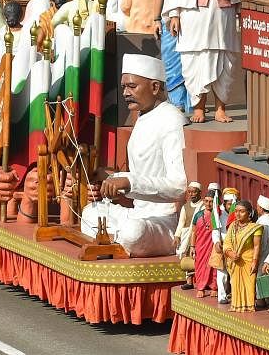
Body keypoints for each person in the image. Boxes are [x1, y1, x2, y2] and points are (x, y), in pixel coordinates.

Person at [79, 54, 187, 256]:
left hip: (164, 220)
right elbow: (135, 178)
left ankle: (116, 240)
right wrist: (108, 178)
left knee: (134, 233)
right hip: (137, 213)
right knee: (90, 213)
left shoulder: (172, 120)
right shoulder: (143, 117)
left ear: (155, 87)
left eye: (132, 87)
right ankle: (116, 241)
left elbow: (179, 186)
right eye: (123, 88)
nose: (125, 93)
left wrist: (129, 182)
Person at [222, 199, 263, 313]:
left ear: (249, 213)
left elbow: (256, 246)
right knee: (235, 284)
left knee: (249, 284)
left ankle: (249, 306)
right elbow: (227, 243)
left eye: (242, 211)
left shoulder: (255, 227)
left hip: (248, 260)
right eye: (236, 211)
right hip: (234, 260)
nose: (238, 214)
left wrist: (255, 261)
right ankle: (236, 305)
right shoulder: (232, 227)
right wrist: (230, 253)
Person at [189, 192, 220, 298]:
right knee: (200, 266)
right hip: (200, 246)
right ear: (203, 201)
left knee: (214, 266)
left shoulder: (218, 215)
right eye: (206, 201)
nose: (208, 204)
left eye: (211, 201)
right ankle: (201, 288)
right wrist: (192, 247)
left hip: (213, 246)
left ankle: (214, 287)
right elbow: (194, 232)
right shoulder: (198, 215)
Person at [174, 181, 203, 270]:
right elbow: (181, 223)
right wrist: (177, 236)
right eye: (189, 192)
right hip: (187, 236)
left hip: (199, 236)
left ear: (199, 193)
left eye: (194, 192)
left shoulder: (204, 206)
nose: (191, 194)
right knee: (187, 257)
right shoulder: (185, 207)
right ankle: (189, 281)